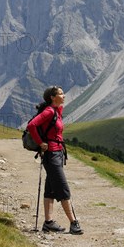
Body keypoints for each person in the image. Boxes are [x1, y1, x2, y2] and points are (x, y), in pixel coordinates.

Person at [27, 85, 83, 235]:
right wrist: (40, 143)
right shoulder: (49, 111)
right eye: (61, 93)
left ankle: (48, 223)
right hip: (51, 154)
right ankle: (73, 223)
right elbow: (31, 125)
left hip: (57, 153)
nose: (64, 96)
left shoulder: (57, 111)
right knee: (63, 188)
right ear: (52, 97)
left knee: (51, 189)